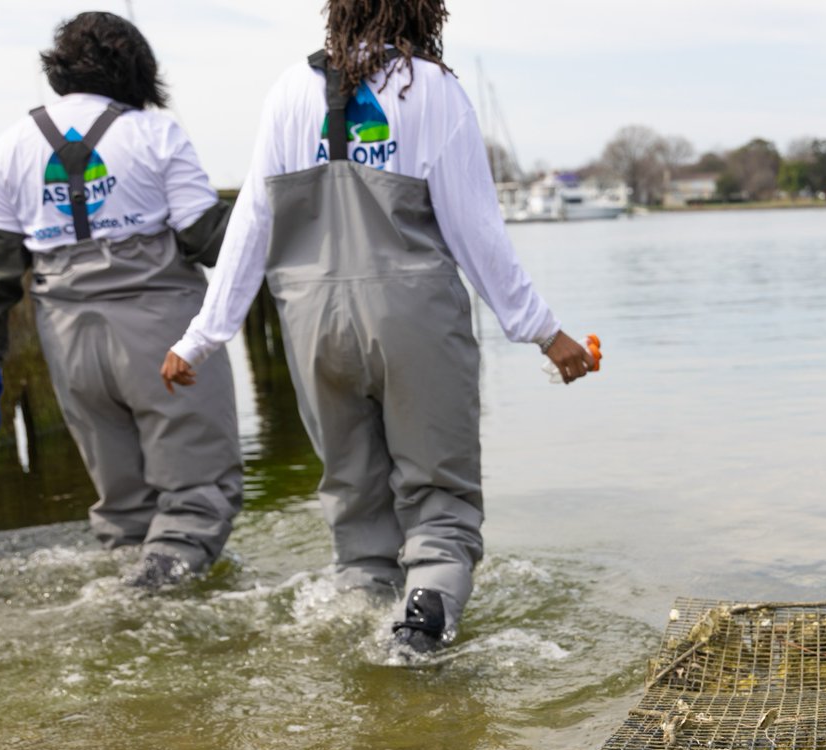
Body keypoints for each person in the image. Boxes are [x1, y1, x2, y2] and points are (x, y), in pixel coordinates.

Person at [161, 0, 595, 655]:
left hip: (311, 323)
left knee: (355, 501)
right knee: (440, 501)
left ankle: (360, 614)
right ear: (424, 13)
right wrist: (543, 331)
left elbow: (251, 221)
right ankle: (421, 630)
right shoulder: (433, 91)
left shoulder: (287, 91)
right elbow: (476, 230)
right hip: (412, 317)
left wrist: (200, 336)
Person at [0, 11, 243, 590]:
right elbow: (206, 236)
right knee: (195, 499)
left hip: (68, 342)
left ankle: (123, 610)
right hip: (160, 338)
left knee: (124, 512)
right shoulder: (156, 133)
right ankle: (156, 603)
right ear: (138, 69)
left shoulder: (11, 146)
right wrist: (273, 214)